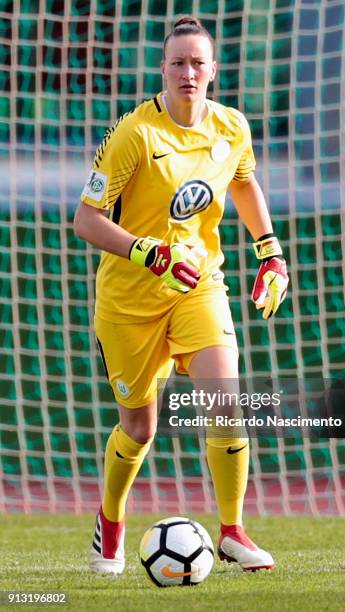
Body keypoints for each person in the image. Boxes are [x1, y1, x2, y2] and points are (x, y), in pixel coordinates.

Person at [74, 15, 289, 575]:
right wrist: (147, 252)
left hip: (199, 285)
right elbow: (86, 220)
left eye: (198, 62)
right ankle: (112, 523)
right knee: (139, 428)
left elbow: (242, 180)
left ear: (213, 71)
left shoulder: (231, 127)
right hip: (129, 302)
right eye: (178, 62)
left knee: (226, 403)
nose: (188, 72)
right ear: (163, 70)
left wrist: (270, 252)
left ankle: (234, 531)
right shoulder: (135, 135)